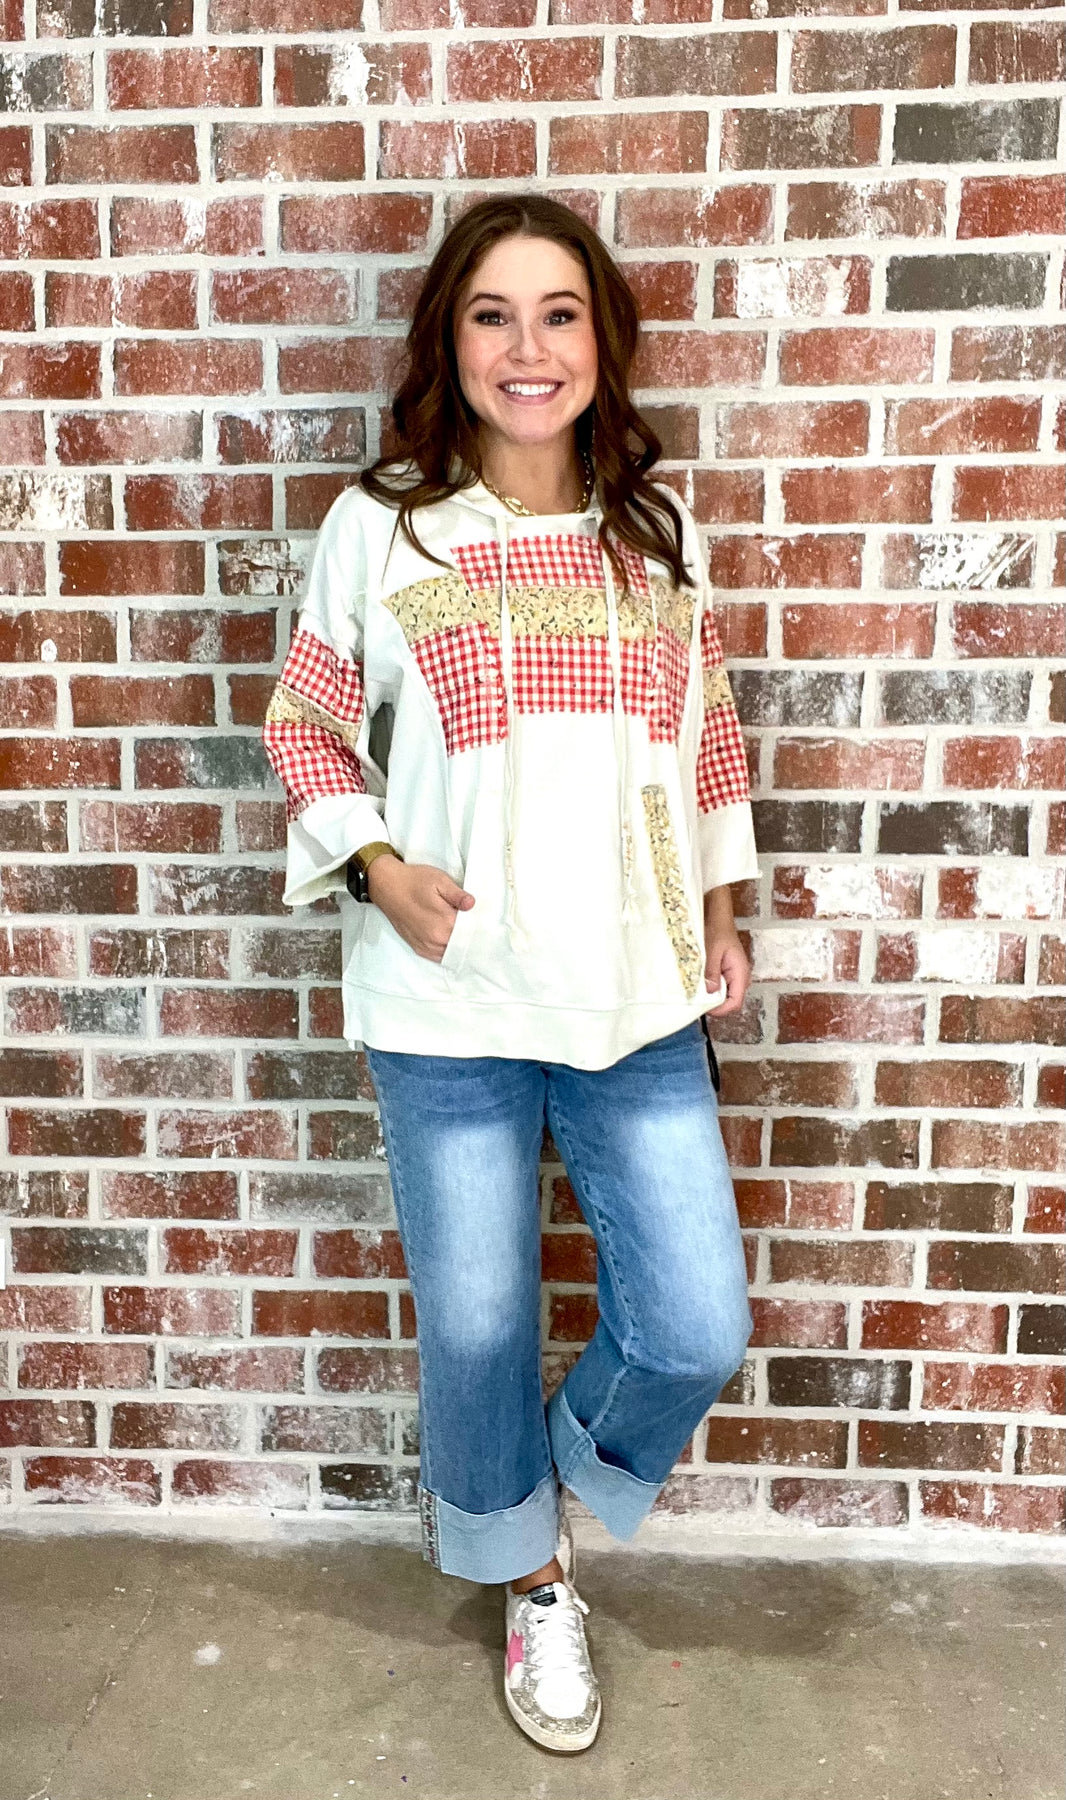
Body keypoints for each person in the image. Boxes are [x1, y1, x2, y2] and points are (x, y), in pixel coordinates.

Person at [262, 194, 758, 1755]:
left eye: (558, 313)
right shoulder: (385, 525)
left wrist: (722, 906)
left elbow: (705, 737)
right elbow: (303, 721)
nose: (526, 347)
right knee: (474, 1330)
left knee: (693, 1327)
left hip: (634, 990)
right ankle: (530, 1576)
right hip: (450, 992)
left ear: (601, 340)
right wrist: (374, 863)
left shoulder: (652, 536)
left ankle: (506, 1492)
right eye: (491, 314)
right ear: (449, 341)